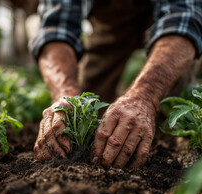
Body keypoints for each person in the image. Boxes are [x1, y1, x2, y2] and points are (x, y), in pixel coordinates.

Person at [29, 0, 202, 169]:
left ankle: (169, 155)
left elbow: (183, 18)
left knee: (173, 103)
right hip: (111, 24)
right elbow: (56, 28)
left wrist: (145, 98)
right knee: (84, 108)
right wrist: (64, 94)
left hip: (171, 28)